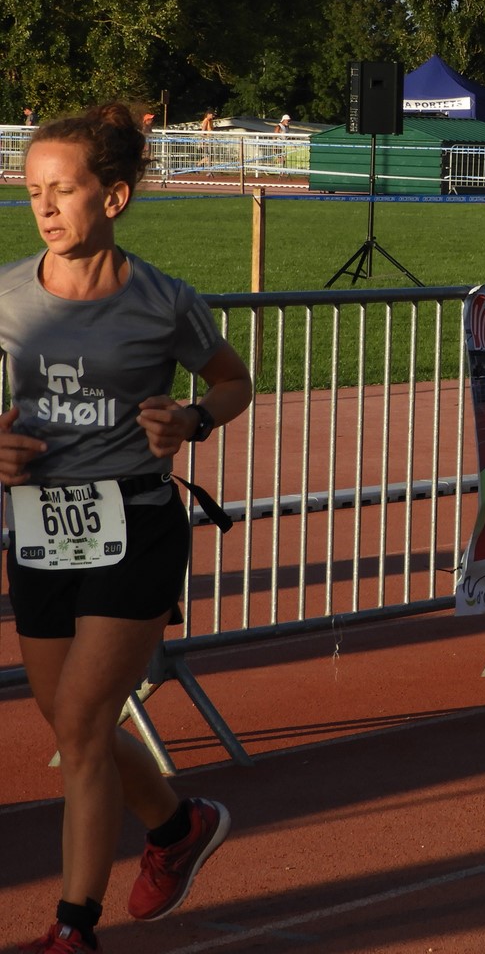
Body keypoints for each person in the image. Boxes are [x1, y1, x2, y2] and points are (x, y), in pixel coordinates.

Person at [0, 103, 253, 954]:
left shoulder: (163, 301)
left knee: (79, 725)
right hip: (40, 528)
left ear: (113, 197)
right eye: (32, 191)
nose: (43, 207)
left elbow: (232, 381)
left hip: (134, 525)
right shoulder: (9, 293)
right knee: (72, 723)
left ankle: (74, 926)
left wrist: (192, 419)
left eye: (61, 190)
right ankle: (178, 826)